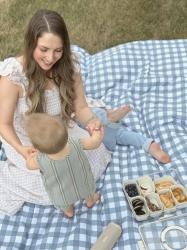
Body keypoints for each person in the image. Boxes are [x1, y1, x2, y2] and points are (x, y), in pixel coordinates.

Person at [0, 9, 111, 216]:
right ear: (31, 42)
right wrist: (21, 148)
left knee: (88, 157)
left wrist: (92, 121)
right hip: (27, 143)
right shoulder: (12, 76)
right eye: (44, 49)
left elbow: (81, 108)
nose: (50, 58)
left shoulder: (69, 65)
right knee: (48, 182)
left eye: (58, 50)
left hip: (60, 133)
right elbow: (3, 124)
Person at [25, 113, 103, 218]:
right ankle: (90, 201)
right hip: (84, 183)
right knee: (89, 191)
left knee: (64, 204)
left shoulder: (40, 160)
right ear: (66, 133)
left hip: (61, 194)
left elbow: (29, 165)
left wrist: (30, 156)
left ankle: (69, 212)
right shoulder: (76, 143)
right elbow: (95, 143)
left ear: (36, 147)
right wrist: (97, 134)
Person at [85, 97, 171, 164]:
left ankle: (110, 119)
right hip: (106, 130)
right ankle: (149, 144)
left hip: (94, 120)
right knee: (122, 135)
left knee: (89, 119)